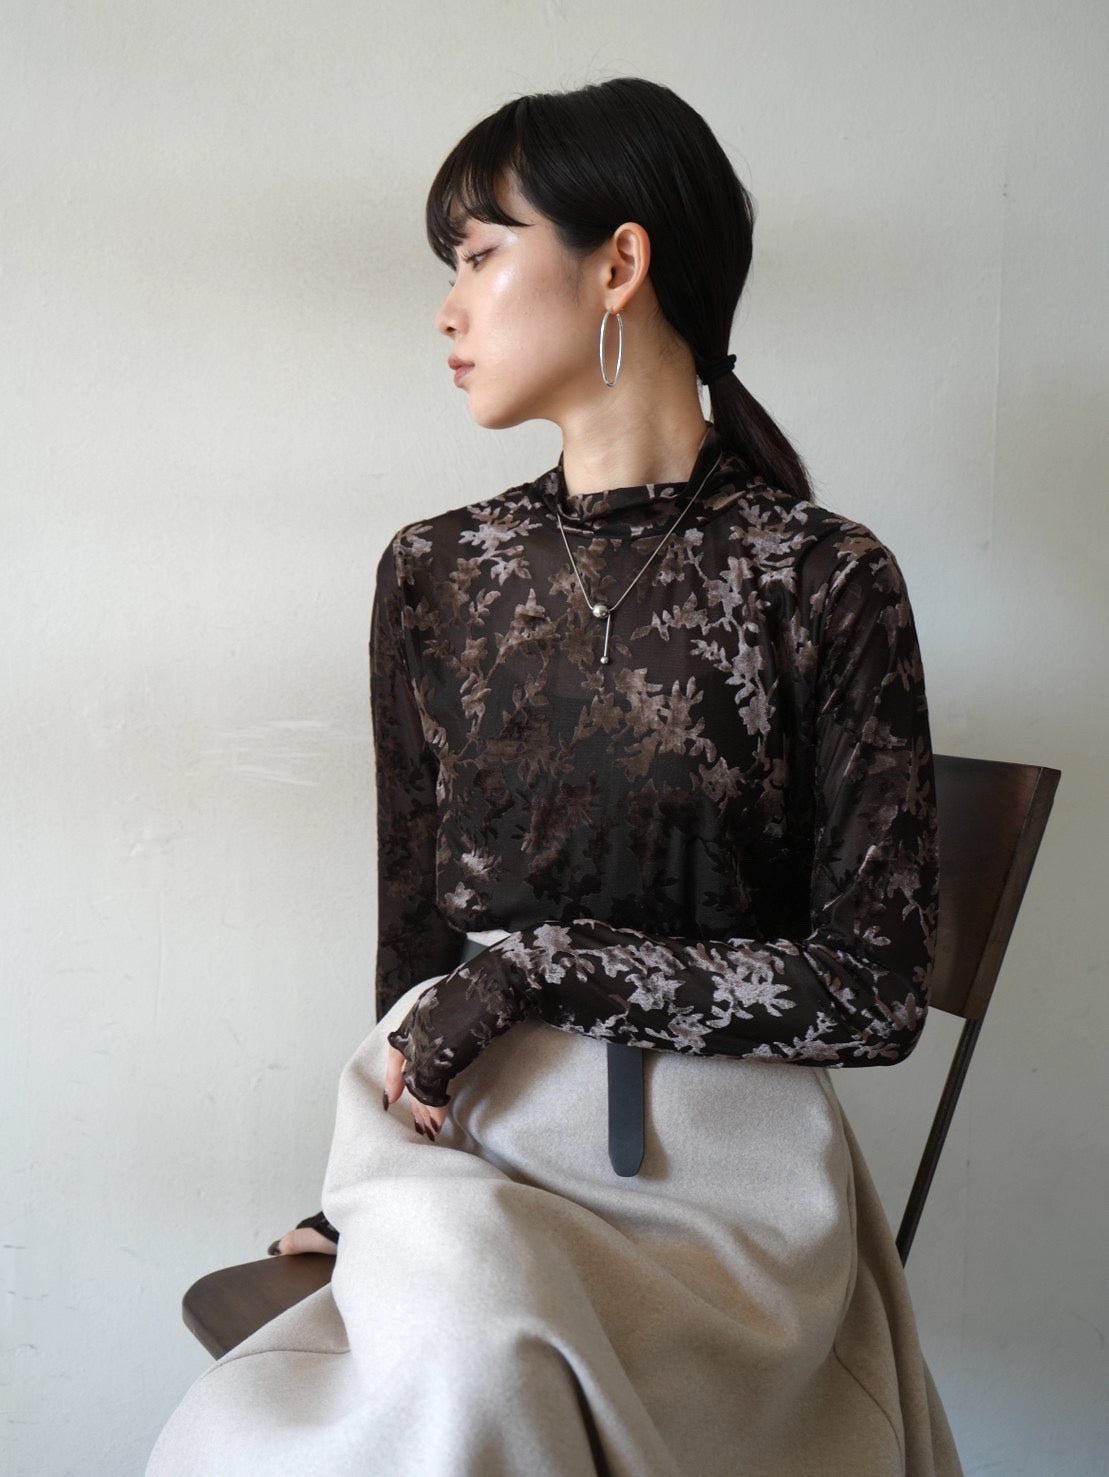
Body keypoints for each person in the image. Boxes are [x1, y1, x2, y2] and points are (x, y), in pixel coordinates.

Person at [147, 77, 962, 1475]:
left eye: (478, 254)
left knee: (470, 1341)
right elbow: (417, 940)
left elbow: (874, 993)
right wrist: (365, 1184)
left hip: (718, 1192)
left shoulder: (823, 579)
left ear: (618, 263)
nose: (447, 308)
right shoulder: (435, 573)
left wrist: (539, 967)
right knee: (395, 1352)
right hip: (473, 1161)